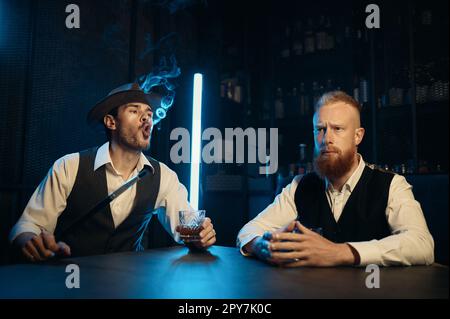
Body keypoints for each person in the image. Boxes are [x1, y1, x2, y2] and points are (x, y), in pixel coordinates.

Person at [10, 82, 216, 262]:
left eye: (149, 114)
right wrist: (30, 241)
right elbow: (28, 225)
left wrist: (200, 234)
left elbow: (187, 229)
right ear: (111, 122)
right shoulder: (69, 166)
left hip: (130, 285)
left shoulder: (163, 176)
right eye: (134, 111)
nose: (146, 119)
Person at [237, 91, 434, 267]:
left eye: (337, 129)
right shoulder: (299, 185)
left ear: (358, 136)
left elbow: (421, 244)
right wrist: (261, 246)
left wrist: (340, 252)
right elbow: (249, 230)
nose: (326, 139)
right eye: (320, 129)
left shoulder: (392, 185)